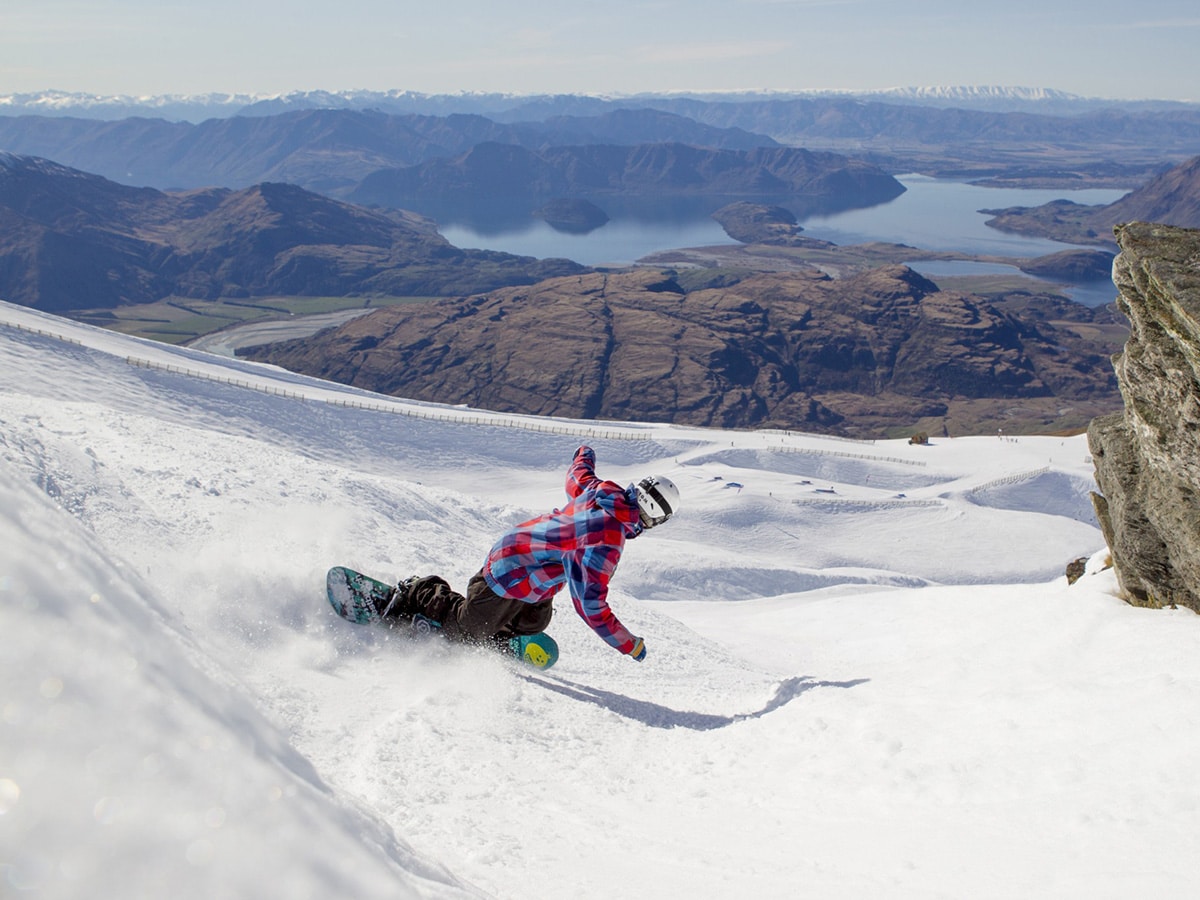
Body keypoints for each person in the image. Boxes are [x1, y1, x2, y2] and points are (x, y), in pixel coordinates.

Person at [377, 445, 680, 663]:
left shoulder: (603, 491)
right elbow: (590, 605)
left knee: (536, 621)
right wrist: (628, 644)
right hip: (512, 567)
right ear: (654, 518)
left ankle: (493, 630)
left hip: (534, 570)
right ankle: (418, 592)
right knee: (469, 629)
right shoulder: (606, 541)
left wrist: (584, 453)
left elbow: (578, 476)